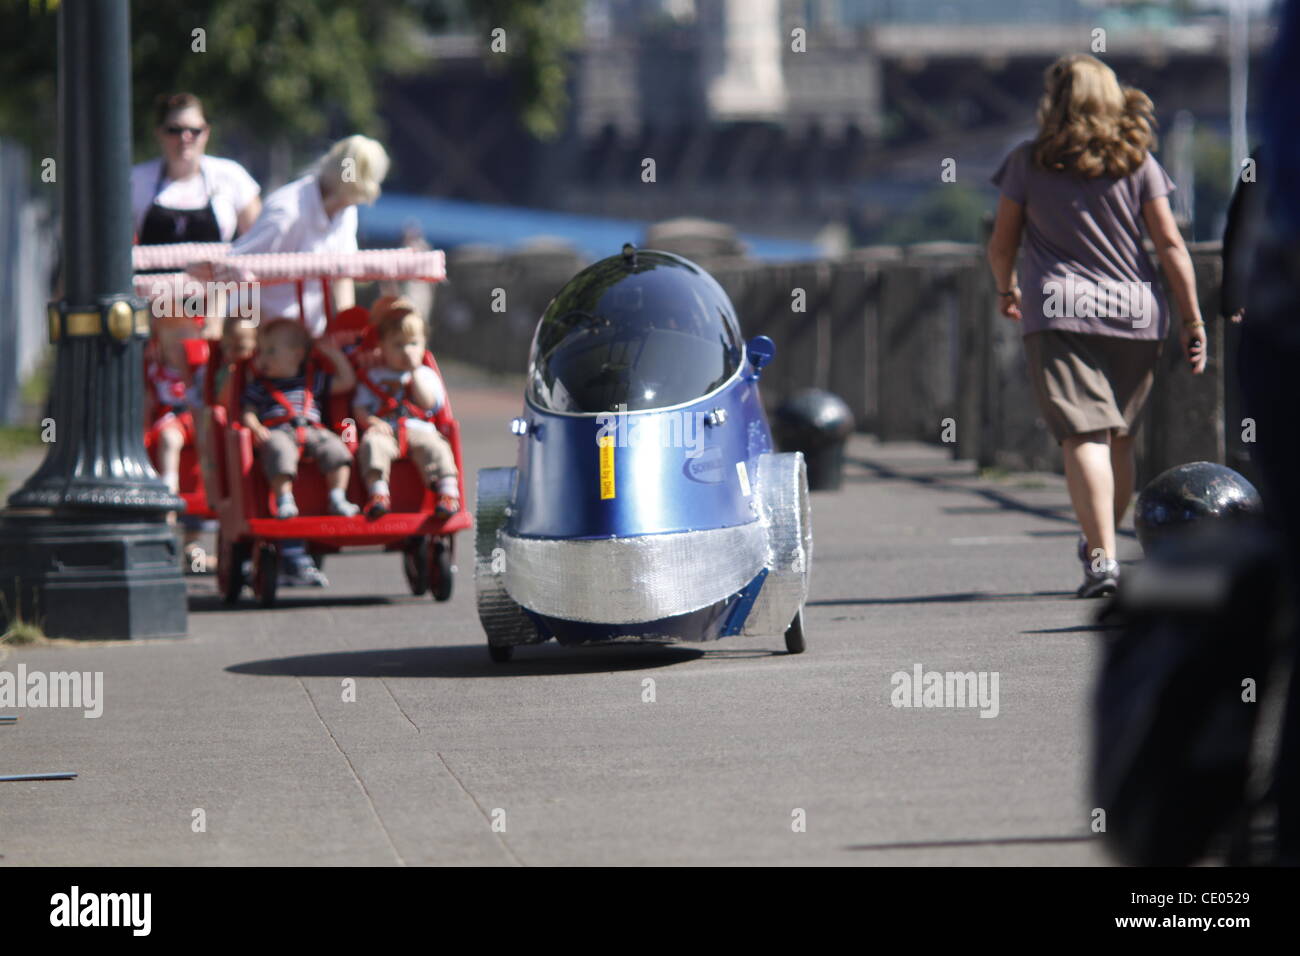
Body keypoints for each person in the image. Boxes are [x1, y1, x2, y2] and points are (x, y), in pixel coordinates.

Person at [986, 54, 1207, 598]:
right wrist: (1192, 316)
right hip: (1136, 310)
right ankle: (1104, 544)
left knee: (1084, 433)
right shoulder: (1139, 162)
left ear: (1055, 100)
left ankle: (1102, 559)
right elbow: (1171, 244)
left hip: (1059, 308)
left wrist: (1005, 287)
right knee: (1120, 438)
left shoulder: (1028, 162)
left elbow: (1002, 241)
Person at [231, 135, 390, 333]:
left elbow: (342, 274)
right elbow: (234, 269)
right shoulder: (286, 212)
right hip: (268, 337)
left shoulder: (347, 208)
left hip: (309, 338)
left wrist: (346, 328)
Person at [353, 297, 459, 520]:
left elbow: (428, 404)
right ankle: (379, 494)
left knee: (437, 448)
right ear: (382, 346)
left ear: (423, 345)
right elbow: (360, 407)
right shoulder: (374, 376)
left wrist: (414, 373)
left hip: (419, 429)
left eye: (413, 344)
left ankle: (448, 494)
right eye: (398, 345)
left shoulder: (426, 374)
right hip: (386, 429)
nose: (406, 351)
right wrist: (371, 422)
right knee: (372, 445)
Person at [241, 319, 359, 521]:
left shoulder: (313, 381)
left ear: (297, 354)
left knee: (337, 449)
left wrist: (332, 353)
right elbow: (248, 411)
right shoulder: (260, 386)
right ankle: (284, 499)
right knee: (279, 450)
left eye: (270, 351)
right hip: (278, 431)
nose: (262, 358)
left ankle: (337, 497)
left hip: (313, 430)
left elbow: (347, 382)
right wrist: (255, 426)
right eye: (260, 351)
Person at [132, 93, 261, 250]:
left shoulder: (231, 175)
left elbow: (259, 244)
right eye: (174, 130)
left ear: (206, 132)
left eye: (194, 130)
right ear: (159, 132)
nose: (185, 137)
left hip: (216, 275)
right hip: (151, 275)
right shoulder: (136, 180)